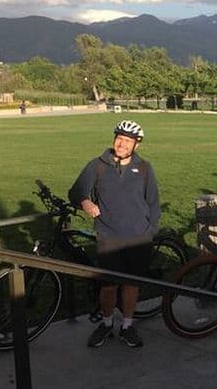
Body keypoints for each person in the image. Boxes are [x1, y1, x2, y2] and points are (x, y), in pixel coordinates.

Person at [68, 120, 160, 348]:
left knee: (131, 285)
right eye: (119, 138)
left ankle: (127, 326)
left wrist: (151, 231)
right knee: (108, 286)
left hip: (138, 237)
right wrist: (86, 203)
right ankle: (107, 323)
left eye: (128, 141)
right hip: (109, 236)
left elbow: (153, 203)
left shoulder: (145, 168)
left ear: (136, 145)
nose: (122, 144)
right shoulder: (97, 165)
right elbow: (76, 192)